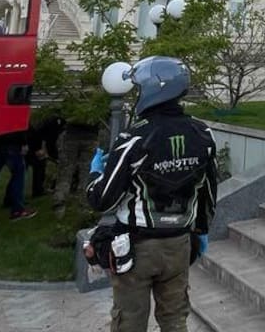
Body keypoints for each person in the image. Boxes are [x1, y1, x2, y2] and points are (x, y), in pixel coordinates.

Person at [86, 56, 218, 332]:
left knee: (129, 321)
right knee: (174, 319)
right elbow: (208, 190)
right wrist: (201, 229)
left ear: (151, 90)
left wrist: (95, 173)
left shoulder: (133, 140)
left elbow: (102, 199)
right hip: (180, 244)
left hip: (137, 247)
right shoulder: (203, 134)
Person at [0, 130, 36, 225]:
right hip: (11, 143)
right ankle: (17, 209)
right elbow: (18, 124)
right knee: (18, 175)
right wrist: (23, 142)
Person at [25, 115, 65, 199]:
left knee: (36, 167)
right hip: (33, 145)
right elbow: (50, 141)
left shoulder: (50, 121)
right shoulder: (55, 125)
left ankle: (37, 190)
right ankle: (38, 191)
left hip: (32, 144)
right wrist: (54, 156)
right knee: (39, 167)